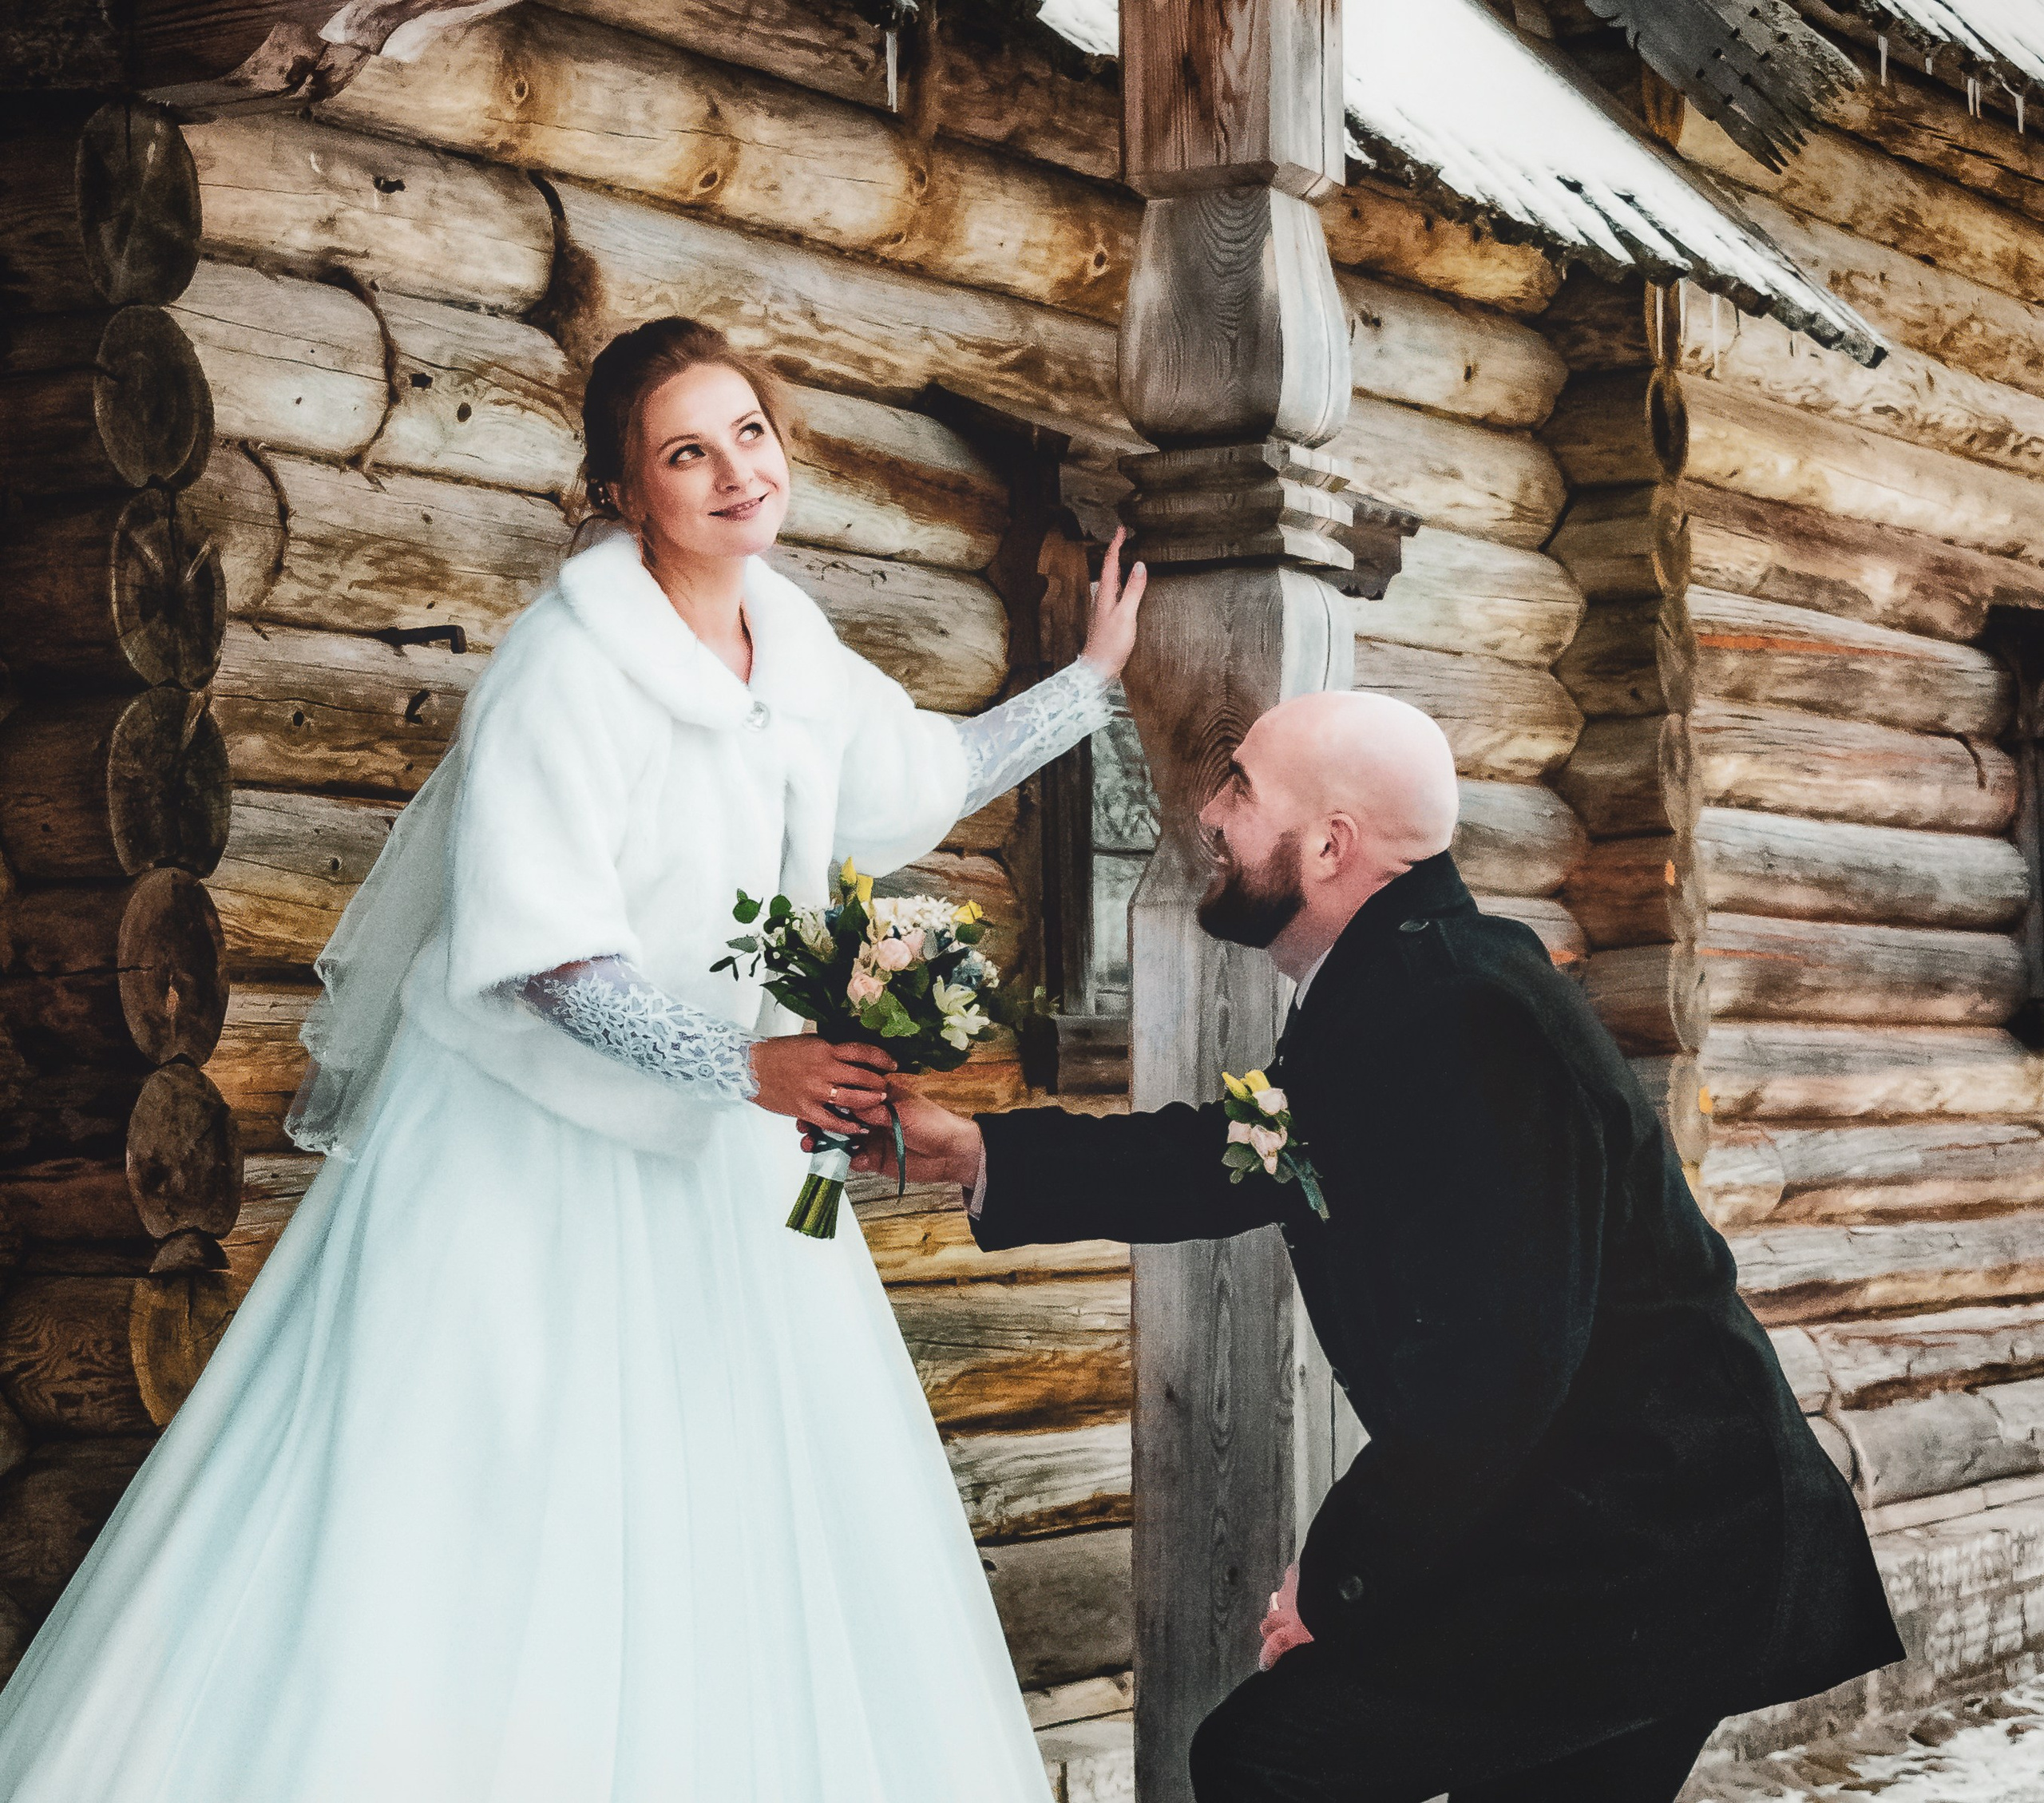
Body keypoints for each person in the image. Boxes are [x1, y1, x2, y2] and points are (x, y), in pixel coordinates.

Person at [0, 317, 1147, 1801]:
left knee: (723, 1511)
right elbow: (549, 959)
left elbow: (922, 772)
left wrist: (1091, 681)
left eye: (750, 433)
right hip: (524, 1148)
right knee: (490, 1507)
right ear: (623, 491)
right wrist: (750, 1067)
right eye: (688, 452)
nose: (737, 472)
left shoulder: (792, 645)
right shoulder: (566, 671)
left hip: (718, 1156)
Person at [851, 688, 1905, 1803]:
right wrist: (975, 1151)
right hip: (1596, 1525)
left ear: (1331, 844)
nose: (1209, 814)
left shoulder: (1459, 1011)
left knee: (1268, 1762)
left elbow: (1494, 1369)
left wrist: (1342, 1580)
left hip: (1655, 1536)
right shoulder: (1398, 984)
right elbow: (1232, 1158)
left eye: (1241, 787)